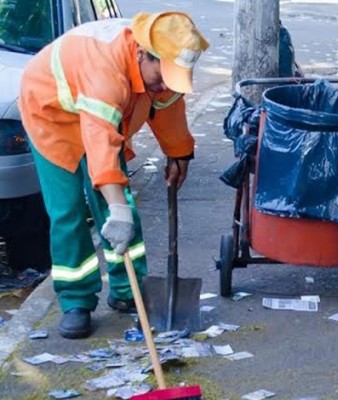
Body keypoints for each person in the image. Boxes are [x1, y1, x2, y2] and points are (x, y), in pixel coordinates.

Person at [18, 12, 209, 339]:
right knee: (69, 211)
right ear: (141, 54)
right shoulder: (105, 69)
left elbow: (167, 107)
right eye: (161, 77)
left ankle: (128, 290)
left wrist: (178, 152)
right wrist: (116, 207)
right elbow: (100, 143)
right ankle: (76, 299)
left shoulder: (163, 66)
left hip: (101, 117)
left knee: (122, 208)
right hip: (51, 114)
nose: (164, 85)